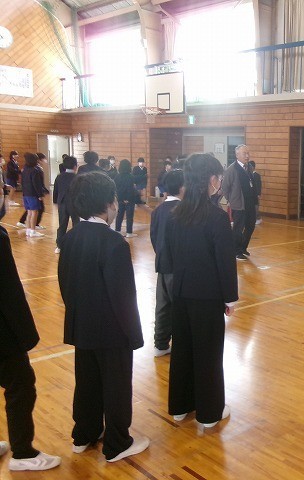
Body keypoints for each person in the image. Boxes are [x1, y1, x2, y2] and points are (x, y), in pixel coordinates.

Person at [58, 171, 149, 462]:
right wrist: (134, 335)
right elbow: (124, 298)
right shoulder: (114, 243)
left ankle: (84, 434)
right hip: (112, 331)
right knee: (116, 386)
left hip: (81, 325)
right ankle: (117, 443)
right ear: (109, 203)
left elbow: (64, 283)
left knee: (87, 382)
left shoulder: (69, 238)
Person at [165, 153, 238, 430]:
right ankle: (209, 412)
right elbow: (224, 262)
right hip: (207, 296)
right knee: (208, 353)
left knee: (182, 350)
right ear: (210, 179)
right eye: (218, 177)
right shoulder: (216, 217)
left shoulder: (175, 214)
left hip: (181, 293)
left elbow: (169, 256)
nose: (219, 181)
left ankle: (180, 406)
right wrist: (229, 297)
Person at [0, 187, 61, 471]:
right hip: (3, 334)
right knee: (21, 386)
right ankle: (23, 453)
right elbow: (9, 293)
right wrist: (26, 336)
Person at [150, 170, 184, 357]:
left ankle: (160, 344)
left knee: (162, 307)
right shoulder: (183, 210)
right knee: (180, 308)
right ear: (182, 187)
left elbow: (154, 237)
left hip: (162, 264)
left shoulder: (158, 210)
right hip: (179, 267)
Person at [221, 145, 256, 260]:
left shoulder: (249, 167)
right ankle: (236, 251)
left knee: (250, 226)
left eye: (248, 153)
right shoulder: (232, 169)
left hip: (250, 203)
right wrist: (231, 200)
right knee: (238, 228)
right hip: (239, 204)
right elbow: (225, 187)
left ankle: (243, 247)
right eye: (244, 153)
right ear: (237, 155)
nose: (247, 156)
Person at [53, 155, 79, 254]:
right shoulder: (78, 177)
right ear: (75, 166)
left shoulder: (59, 176)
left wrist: (55, 202)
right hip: (74, 203)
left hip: (62, 203)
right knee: (76, 224)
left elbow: (55, 191)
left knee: (62, 224)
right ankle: (76, 244)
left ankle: (59, 246)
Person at [17, 153, 49, 231]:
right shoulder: (35, 170)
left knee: (30, 212)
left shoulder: (25, 169)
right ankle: (33, 230)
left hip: (26, 194)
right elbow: (36, 184)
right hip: (33, 194)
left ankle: (28, 230)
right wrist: (40, 195)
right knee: (34, 212)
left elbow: (22, 182)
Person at [114, 159, 138, 238]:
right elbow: (130, 189)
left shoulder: (117, 176)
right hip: (129, 199)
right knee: (129, 216)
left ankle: (117, 231)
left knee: (119, 215)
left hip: (120, 199)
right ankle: (129, 233)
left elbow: (116, 189)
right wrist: (127, 198)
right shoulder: (131, 177)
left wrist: (121, 198)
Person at [247, 160, 262, 224]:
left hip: (255, 194)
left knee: (256, 206)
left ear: (253, 167)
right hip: (251, 194)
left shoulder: (257, 175)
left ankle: (257, 218)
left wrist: (258, 194)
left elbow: (259, 185)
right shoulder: (248, 174)